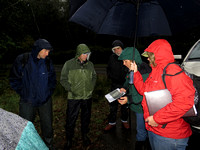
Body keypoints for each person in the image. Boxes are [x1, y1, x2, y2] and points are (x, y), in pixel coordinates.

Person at [122, 39, 195, 150]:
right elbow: (144, 91)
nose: (147, 58)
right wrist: (136, 72)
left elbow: (184, 103)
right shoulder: (156, 71)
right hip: (155, 129)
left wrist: (157, 119)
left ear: (157, 55)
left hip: (169, 135)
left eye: (150, 55)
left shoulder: (173, 72)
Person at [9, 39, 56, 150]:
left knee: (47, 126)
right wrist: (24, 92)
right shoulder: (23, 60)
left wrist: (48, 94)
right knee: (24, 128)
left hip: (44, 101)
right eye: (45, 51)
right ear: (38, 49)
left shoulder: (48, 62)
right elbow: (14, 78)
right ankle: (25, 147)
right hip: (27, 101)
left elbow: (52, 80)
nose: (47, 53)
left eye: (49, 51)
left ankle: (48, 146)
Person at [60, 43, 97, 150]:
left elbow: (94, 76)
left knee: (86, 118)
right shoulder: (69, 64)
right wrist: (71, 89)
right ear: (79, 54)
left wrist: (91, 87)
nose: (86, 56)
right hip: (73, 98)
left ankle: (85, 135)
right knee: (71, 119)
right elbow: (63, 79)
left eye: (87, 54)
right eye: (84, 54)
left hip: (87, 97)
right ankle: (69, 139)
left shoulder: (90, 65)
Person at [118, 47, 151, 150]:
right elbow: (128, 80)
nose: (123, 63)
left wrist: (129, 99)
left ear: (133, 61)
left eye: (125, 61)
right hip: (136, 106)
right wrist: (124, 87)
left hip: (143, 108)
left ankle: (141, 144)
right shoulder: (131, 69)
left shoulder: (144, 72)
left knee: (142, 129)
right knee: (139, 127)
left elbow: (145, 94)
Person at [105, 40, 129, 131]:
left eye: (118, 48)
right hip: (115, 85)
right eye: (114, 49)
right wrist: (110, 76)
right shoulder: (111, 57)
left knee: (124, 105)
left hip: (125, 86)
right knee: (113, 105)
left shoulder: (127, 57)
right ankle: (112, 123)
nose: (116, 51)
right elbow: (108, 68)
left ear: (122, 48)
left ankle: (124, 121)